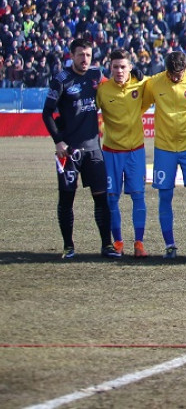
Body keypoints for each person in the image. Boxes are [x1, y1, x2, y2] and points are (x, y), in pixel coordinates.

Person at [42, 38, 120, 259]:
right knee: (67, 198)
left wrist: (137, 76)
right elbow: (46, 113)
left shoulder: (96, 76)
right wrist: (58, 141)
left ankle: (107, 245)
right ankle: (68, 246)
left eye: (88, 55)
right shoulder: (61, 80)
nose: (85, 59)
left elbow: (117, 81)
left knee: (101, 198)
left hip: (93, 149)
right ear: (71, 56)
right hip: (68, 151)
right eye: (80, 55)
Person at [141, 51, 186, 259]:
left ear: (185, 68)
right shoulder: (155, 83)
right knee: (165, 195)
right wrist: (134, 78)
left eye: (179, 74)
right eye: (172, 74)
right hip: (164, 150)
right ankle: (170, 246)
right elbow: (139, 104)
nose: (175, 78)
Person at [96, 48, 148, 258]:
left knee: (138, 196)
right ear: (110, 68)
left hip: (136, 151)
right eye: (115, 67)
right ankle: (117, 242)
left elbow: (165, 79)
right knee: (111, 199)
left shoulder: (141, 83)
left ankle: (139, 243)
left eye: (123, 67)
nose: (119, 71)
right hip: (111, 153)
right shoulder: (102, 90)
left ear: (130, 68)